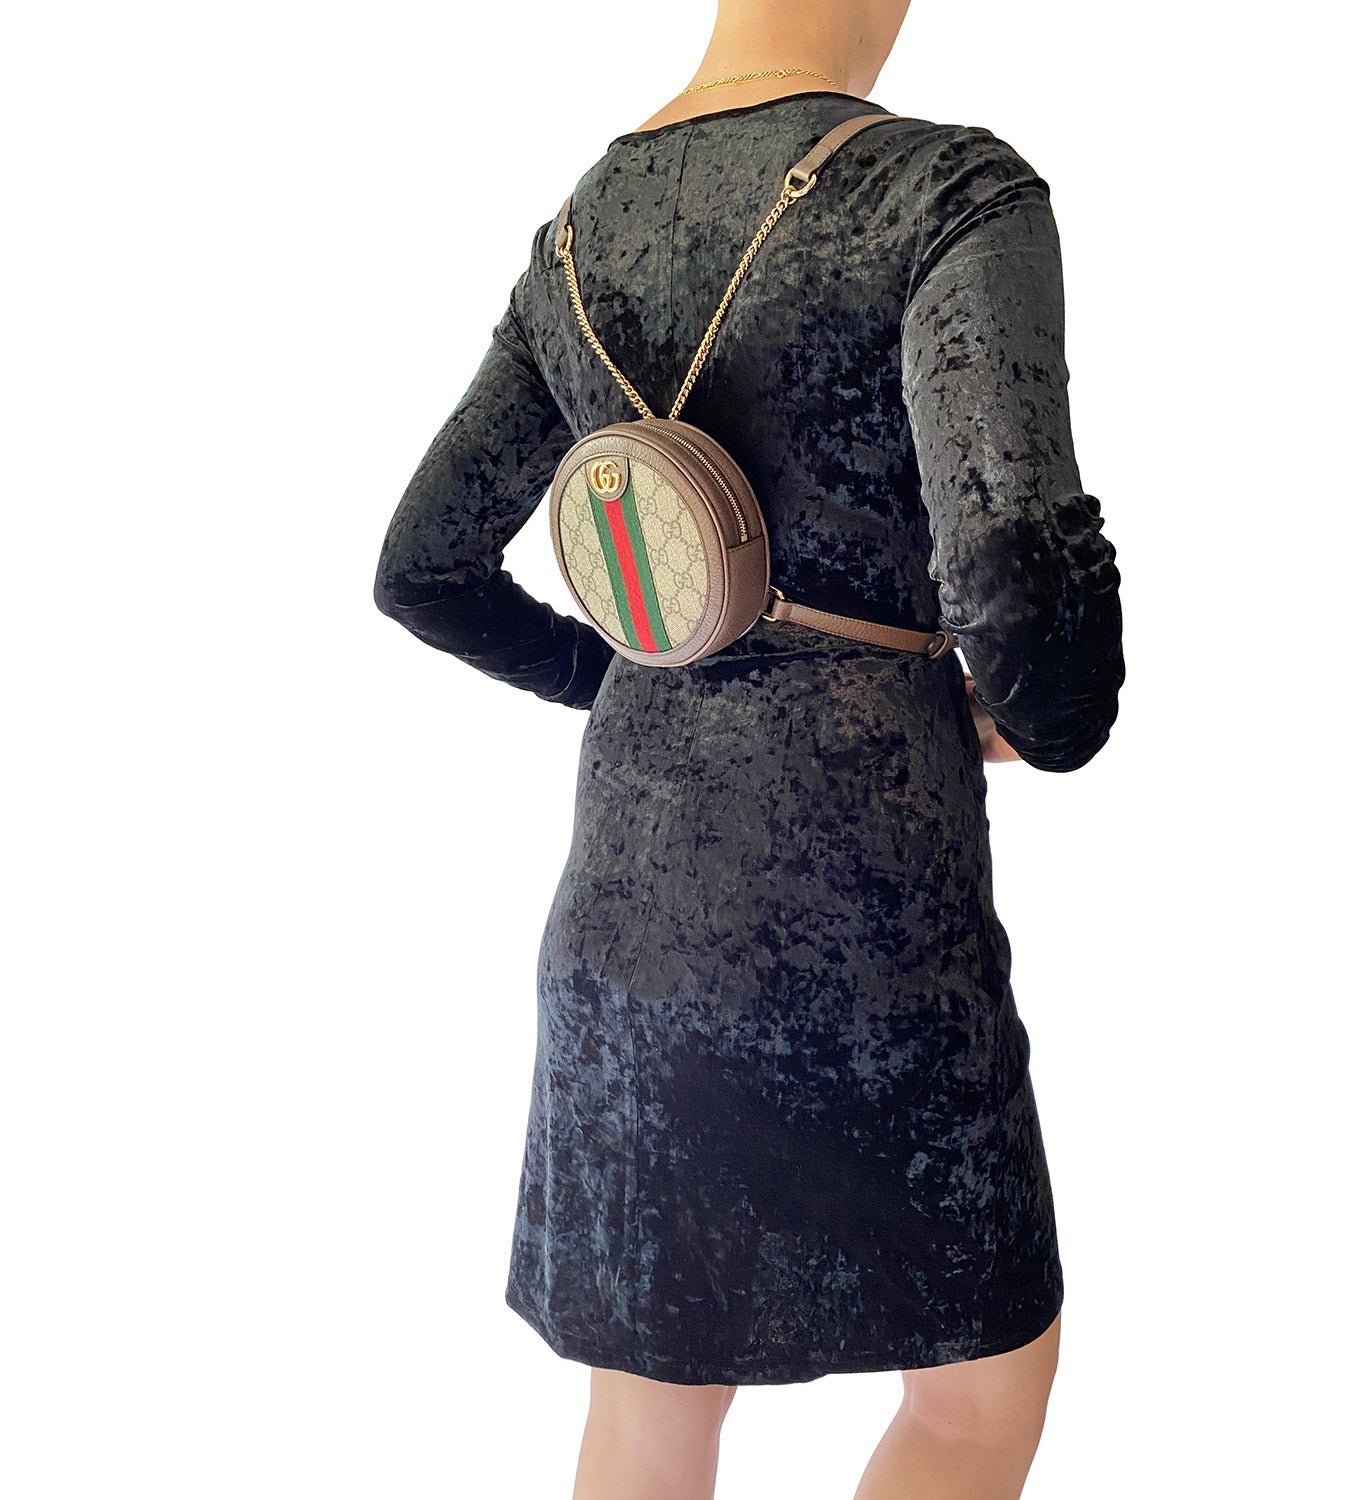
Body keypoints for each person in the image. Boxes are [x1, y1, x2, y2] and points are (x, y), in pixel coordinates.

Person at [371, 0, 1125, 1494]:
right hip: (869, 915)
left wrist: (626, 670)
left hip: (629, 912)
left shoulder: (580, 235)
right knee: (976, 1393)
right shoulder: (944, 190)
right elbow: (1009, 568)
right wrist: (1046, 717)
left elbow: (422, 569)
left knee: (653, 1405)